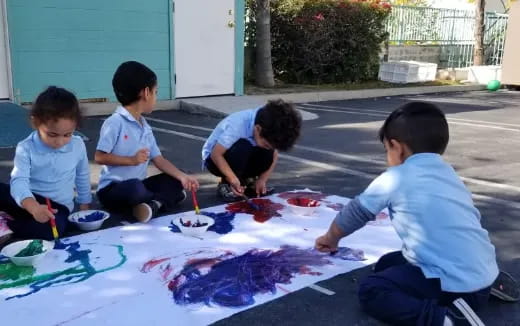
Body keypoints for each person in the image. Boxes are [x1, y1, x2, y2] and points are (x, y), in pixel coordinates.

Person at [315, 102, 498, 326]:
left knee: (372, 290)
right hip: (482, 271)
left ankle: (445, 319)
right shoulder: (448, 173)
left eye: (386, 150)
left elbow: (356, 213)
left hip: (454, 285)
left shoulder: (396, 177)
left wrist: (330, 238)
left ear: (396, 147)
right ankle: (482, 289)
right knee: (387, 263)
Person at [95, 61, 199, 223]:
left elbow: (159, 159)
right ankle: (160, 201)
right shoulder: (114, 122)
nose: (156, 97)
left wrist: (182, 177)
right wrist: (131, 160)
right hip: (113, 190)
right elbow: (100, 157)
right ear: (146, 92)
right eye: (156, 92)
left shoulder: (145, 126)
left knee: (177, 179)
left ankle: (152, 205)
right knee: (136, 189)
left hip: (140, 185)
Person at [0, 86, 91, 240]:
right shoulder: (26, 147)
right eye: (52, 134)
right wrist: (33, 207)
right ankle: (14, 219)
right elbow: (19, 181)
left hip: (57, 209)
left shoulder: (77, 145)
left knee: (54, 229)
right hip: (29, 201)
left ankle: (9, 224)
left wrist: (84, 205)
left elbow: (82, 174)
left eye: (67, 134)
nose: (60, 141)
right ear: (36, 122)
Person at [202, 99, 302, 202]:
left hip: (242, 159)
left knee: (268, 153)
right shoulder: (237, 125)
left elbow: (274, 155)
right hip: (214, 161)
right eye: (267, 144)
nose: (269, 147)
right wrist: (232, 178)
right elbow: (216, 154)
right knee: (243, 146)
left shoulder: (270, 127)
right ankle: (226, 183)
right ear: (258, 129)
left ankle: (249, 182)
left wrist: (262, 179)